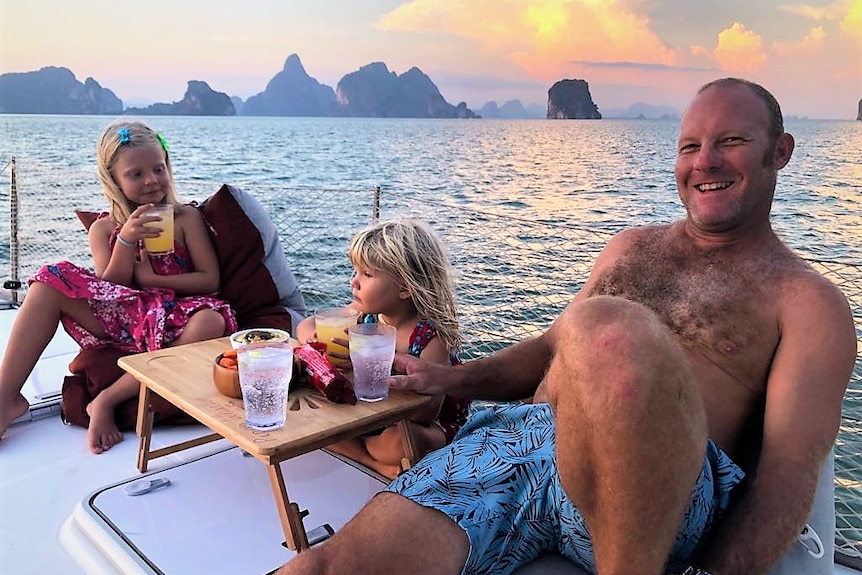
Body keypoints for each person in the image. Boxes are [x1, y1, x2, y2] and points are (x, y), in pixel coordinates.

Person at [277, 77, 857, 575]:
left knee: (607, 326)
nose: (704, 161)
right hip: (519, 448)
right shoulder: (629, 247)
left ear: (778, 152)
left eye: (730, 142)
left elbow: (788, 475)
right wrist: (446, 381)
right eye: (689, 146)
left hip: (660, 487)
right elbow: (549, 351)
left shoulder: (808, 303)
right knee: (322, 566)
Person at [0, 119, 237, 454]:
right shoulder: (104, 228)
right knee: (46, 285)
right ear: (113, 180)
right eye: (136, 174)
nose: (152, 180)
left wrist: (152, 279)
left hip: (177, 316)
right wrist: (125, 240)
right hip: (126, 316)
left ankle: (107, 401)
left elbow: (210, 281)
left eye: (158, 169)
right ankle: (5, 398)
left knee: (211, 321)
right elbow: (109, 288)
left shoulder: (185, 218)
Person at [296, 218, 469, 478]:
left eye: (367, 274)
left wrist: (376, 362)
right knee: (308, 417)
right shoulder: (363, 314)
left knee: (399, 443)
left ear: (404, 288)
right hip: (370, 414)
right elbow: (306, 324)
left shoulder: (430, 338)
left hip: (423, 426)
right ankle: (372, 462)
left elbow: (425, 412)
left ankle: (361, 450)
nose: (354, 282)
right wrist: (312, 340)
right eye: (355, 271)